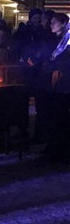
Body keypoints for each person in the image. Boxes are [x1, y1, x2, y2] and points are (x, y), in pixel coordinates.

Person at [40, 12, 70, 162]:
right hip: (58, 83)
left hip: (66, 85)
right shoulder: (58, 40)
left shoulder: (67, 41)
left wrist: (51, 65)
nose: (51, 25)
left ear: (63, 23)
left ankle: (60, 152)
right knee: (56, 117)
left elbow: (65, 62)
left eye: (54, 22)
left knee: (61, 118)